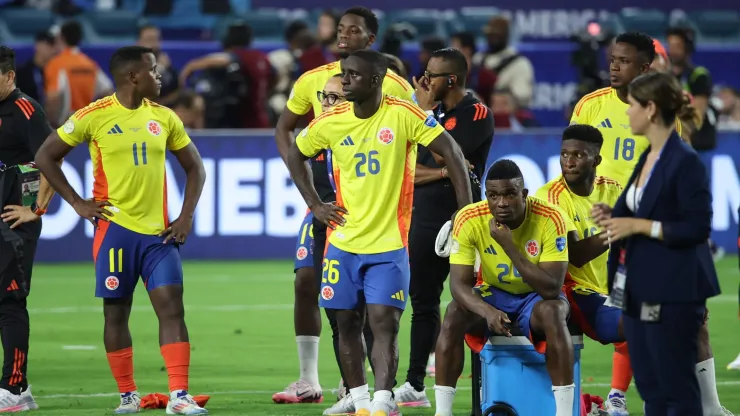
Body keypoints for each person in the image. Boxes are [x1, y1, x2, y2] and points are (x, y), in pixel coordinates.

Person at [286, 49, 472, 416]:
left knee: (384, 323)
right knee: (346, 321)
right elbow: (296, 153)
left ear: (375, 80)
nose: (343, 81)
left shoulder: (403, 115)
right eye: (343, 74)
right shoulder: (331, 120)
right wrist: (315, 205)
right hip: (342, 242)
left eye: (352, 75)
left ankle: (384, 400)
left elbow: (451, 151)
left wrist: (464, 214)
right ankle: (358, 400)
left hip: (388, 243)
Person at [34, 46, 208, 415]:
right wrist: (78, 202)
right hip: (114, 232)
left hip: (159, 235)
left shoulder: (165, 117)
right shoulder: (93, 116)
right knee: (116, 314)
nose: (159, 76)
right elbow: (45, 156)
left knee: (172, 308)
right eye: (153, 70)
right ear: (133, 76)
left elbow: (196, 168)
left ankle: (179, 396)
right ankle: (127, 394)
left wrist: (185, 216)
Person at [573, 32, 729, 416]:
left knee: (675, 356)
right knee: (648, 358)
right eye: (611, 59)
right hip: (628, 256)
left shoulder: (680, 158)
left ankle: (706, 407)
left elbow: (692, 225)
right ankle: (620, 396)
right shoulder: (643, 157)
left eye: (622, 61)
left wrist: (638, 226)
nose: (626, 114)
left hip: (668, 268)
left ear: (650, 109)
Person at [272, 6, 414, 409]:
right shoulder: (311, 80)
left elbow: (417, 140)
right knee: (307, 282)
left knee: (374, 307)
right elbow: (286, 131)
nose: (343, 35)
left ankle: (359, 388)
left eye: (354, 30)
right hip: (323, 203)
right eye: (340, 29)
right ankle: (308, 378)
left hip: (375, 209)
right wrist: (310, 192)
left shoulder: (398, 90)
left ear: (371, 39)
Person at [434, 159, 576, 416]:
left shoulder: (551, 217)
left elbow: (552, 288)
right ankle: (443, 413)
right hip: (494, 295)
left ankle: (564, 413)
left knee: (555, 312)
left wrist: (508, 246)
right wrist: (487, 312)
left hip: (536, 299)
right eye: (493, 195)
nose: (501, 203)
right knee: (454, 312)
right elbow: (458, 285)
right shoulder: (470, 218)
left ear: (524, 194)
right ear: (486, 196)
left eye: (510, 194)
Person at [393, 47, 494, 408]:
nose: (423, 81)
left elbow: (445, 152)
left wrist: (422, 115)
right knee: (423, 301)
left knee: (471, 302)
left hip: (462, 217)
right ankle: (415, 384)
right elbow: (413, 168)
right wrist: (444, 170)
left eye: (430, 74)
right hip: (423, 216)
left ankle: (488, 383)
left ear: (450, 79)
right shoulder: (429, 114)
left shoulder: (476, 113)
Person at [535, 125, 628, 415]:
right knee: (640, 321)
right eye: (564, 154)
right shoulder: (550, 197)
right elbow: (574, 255)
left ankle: (616, 399)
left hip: (611, 286)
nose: (569, 161)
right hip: (572, 290)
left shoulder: (612, 190)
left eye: (578, 154)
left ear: (596, 160)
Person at [272, 74, 353, 404]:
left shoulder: (365, 129)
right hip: (319, 213)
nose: (325, 104)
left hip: (357, 220)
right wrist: (314, 204)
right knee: (306, 282)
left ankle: (353, 382)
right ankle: (308, 380)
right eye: (324, 98)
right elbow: (293, 149)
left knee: (352, 300)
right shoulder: (315, 132)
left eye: (334, 99)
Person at [0, 45, 54, 412]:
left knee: (9, 299)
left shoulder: (27, 111)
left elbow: (52, 158)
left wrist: (36, 209)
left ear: (9, 76)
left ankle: (16, 389)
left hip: (12, 219)